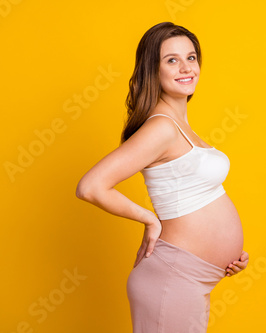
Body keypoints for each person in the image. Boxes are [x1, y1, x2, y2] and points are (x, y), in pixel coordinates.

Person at [75, 21, 249, 332]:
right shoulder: (162, 128)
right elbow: (90, 186)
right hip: (173, 278)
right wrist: (150, 220)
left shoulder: (182, 128)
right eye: (172, 60)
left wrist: (226, 255)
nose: (186, 67)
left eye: (191, 57)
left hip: (190, 278)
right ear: (152, 70)